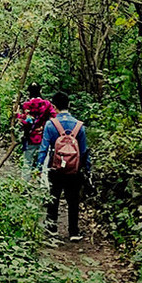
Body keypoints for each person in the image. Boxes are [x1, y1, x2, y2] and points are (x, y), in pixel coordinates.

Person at [33, 91, 89, 241]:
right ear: (69, 105)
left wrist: (39, 168)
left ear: (54, 106)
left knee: (54, 197)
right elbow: (84, 151)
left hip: (55, 167)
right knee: (73, 200)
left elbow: (44, 148)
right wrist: (87, 169)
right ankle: (74, 232)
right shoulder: (79, 126)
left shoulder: (51, 125)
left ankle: (52, 229)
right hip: (74, 169)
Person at [16, 83, 57, 171]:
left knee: (27, 162)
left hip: (30, 137)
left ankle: (25, 183)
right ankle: (43, 183)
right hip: (44, 137)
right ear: (40, 91)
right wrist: (44, 126)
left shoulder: (26, 105)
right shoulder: (46, 104)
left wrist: (17, 114)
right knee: (45, 163)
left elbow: (24, 121)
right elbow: (54, 116)